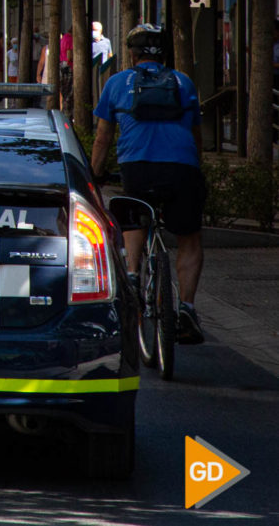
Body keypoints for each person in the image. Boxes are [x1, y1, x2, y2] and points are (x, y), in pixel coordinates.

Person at [90, 24, 205, 344]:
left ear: (132, 53)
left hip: (137, 168)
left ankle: (131, 280)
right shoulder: (184, 83)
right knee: (190, 239)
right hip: (182, 169)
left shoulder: (116, 83)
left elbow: (103, 137)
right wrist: (196, 167)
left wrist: (94, 175)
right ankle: (186, 308)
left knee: (135, 214)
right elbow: (196, 135)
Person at [59, 28, 74, 114]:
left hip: (63, 66)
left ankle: (65, 113)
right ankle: (67, 114)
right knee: (69, 94)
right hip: (68, 67)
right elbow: (69, 56)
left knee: (65, 92)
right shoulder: (70, 39)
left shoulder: (64, 38)